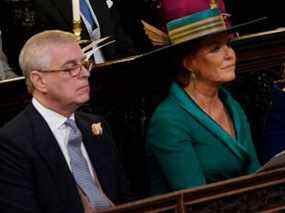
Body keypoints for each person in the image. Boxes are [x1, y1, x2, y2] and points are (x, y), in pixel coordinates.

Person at [0, 30, 129, 212]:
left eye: (84, 64)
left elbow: (125, 198)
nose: (85, 74)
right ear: (39, 81)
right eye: (70, 68)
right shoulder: (12, 143)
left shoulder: (96, 126)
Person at [146, 0, 261, 195]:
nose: (230, 54)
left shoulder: (231, 104)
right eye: (215, 48)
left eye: (228, 44)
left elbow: (255, 177)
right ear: (189, 62)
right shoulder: (169, 120)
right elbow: (195, 199)